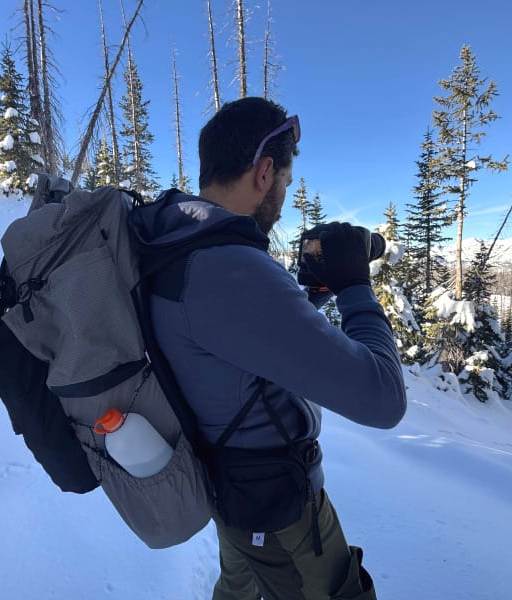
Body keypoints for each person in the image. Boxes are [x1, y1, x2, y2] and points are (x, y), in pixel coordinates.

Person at [128, 97, 407, 600]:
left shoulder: (172, 242)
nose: (285, 194)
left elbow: (228, 343)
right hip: (279, 506)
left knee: (238, 589)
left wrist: (307, 301)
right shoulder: (228, 268)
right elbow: (384, 399)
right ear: (263, 172)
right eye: (286, 181)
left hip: (228, 484)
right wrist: (355, 288)